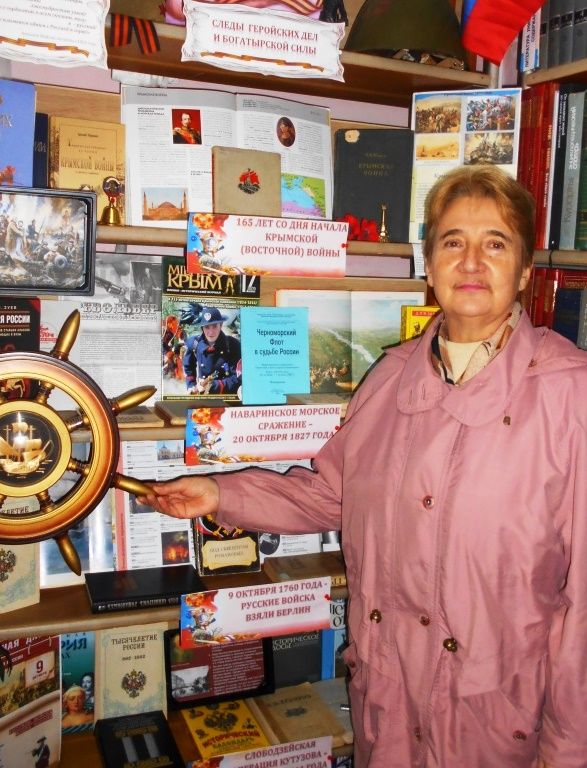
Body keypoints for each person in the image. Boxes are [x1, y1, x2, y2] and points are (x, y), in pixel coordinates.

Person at [140, 164, 587, 767]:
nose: (471, 262)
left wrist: (568, 751)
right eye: (453, 242)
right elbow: (333, 495)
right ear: (429, 264)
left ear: (526, 270)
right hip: (391, 708)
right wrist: (220, 495)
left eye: (496, 244)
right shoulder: (389, 379)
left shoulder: (570, 396)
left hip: (500, 725)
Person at [183, 307, 241, 395]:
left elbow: (238, 377)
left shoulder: (233, 345)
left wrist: (213, 385)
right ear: (202, 328)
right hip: (202, 394)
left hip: (226, 395)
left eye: (214, 326)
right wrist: (191, 385)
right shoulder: (194, 343)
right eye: (207, 327)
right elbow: (189, 368)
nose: (211, 332)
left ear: (220, 325)